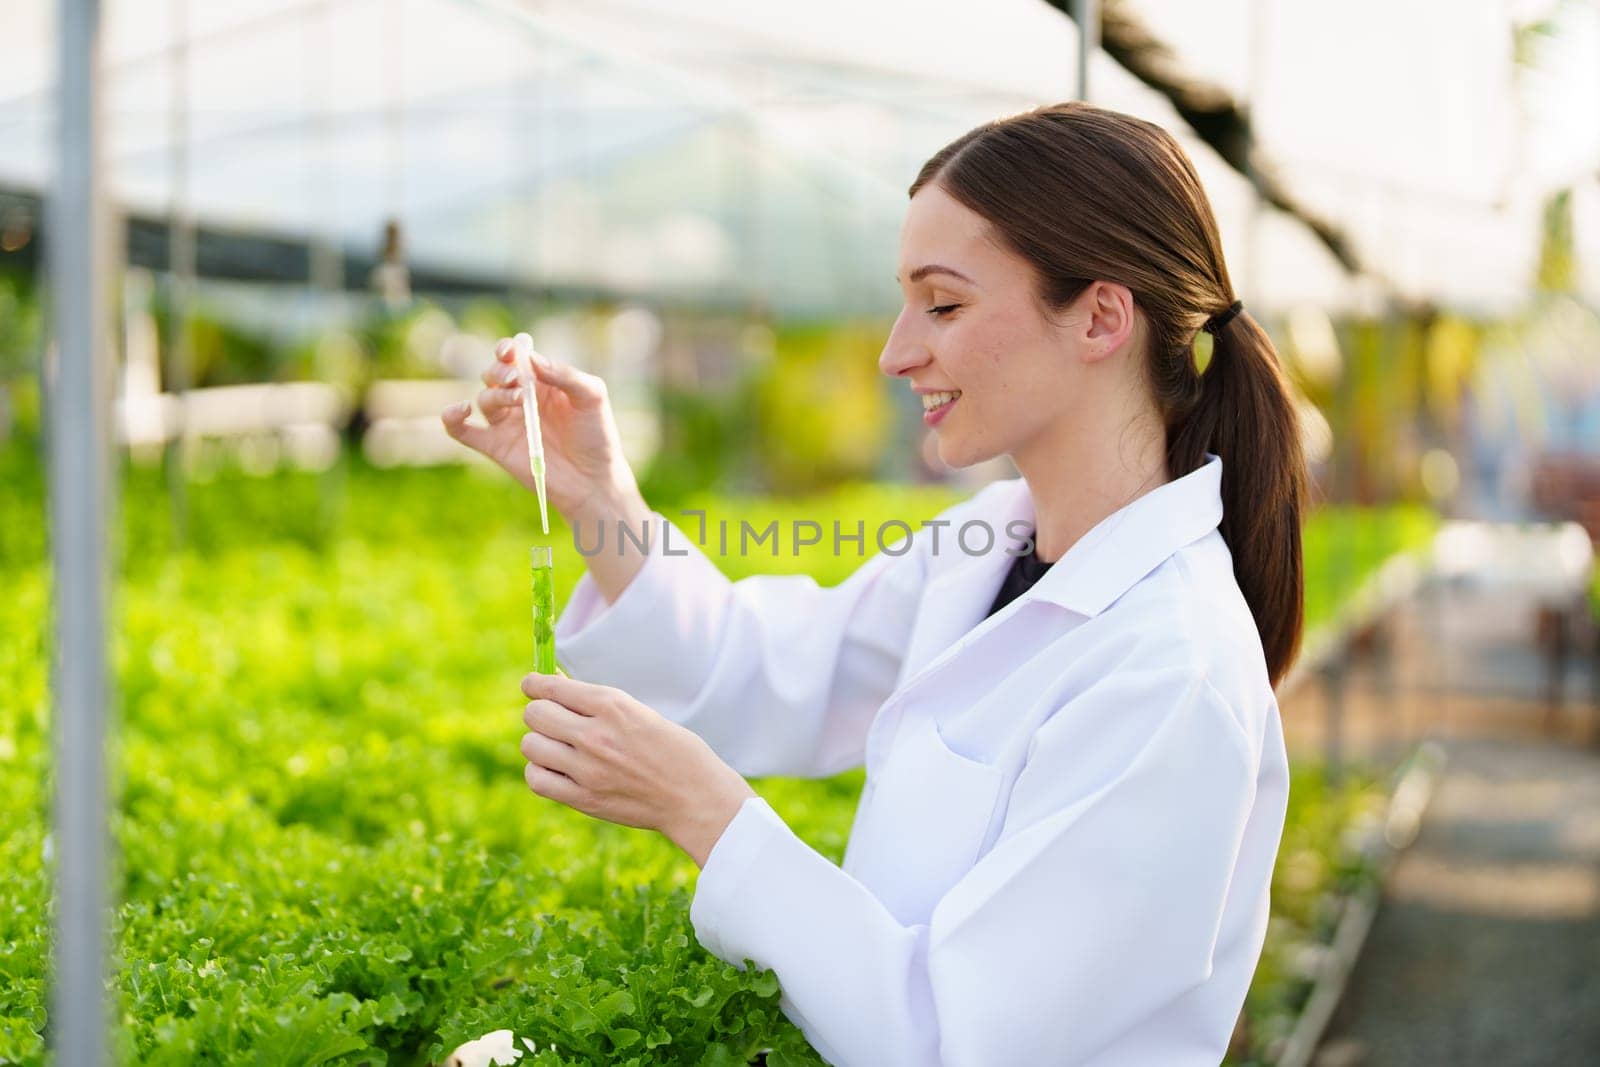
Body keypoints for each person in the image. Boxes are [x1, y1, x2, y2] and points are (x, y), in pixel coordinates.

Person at [441, 100, 1305, 1067]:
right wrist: (597, 496)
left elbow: (957, 1043)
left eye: (942, 304)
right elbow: (761, 667)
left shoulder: (1172, 669)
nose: (897, 351)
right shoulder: (981, 546)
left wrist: (707, 813)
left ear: (1101, 316)